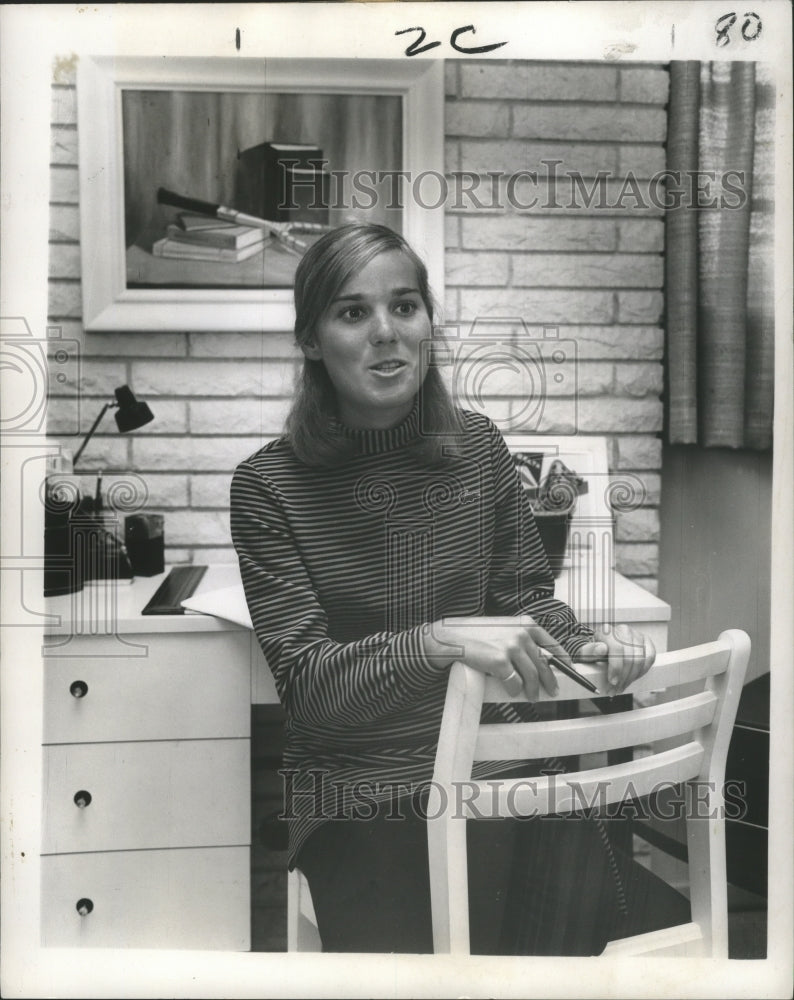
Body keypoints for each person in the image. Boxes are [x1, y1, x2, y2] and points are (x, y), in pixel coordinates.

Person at [230, 223, 658, 955]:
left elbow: (524, 594)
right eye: (352, 312)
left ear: (429, 322)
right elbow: (310, 690)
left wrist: (585, 643)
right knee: (465, 954)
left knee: (594, 938)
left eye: (404, 306)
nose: (386, 334)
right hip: (359, 793)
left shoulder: (481, 447)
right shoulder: (268, 486)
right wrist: (432, 642)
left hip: (500, 768)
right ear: (311, 341)